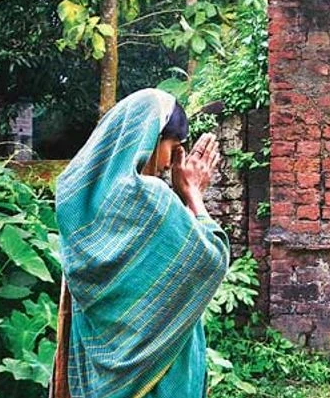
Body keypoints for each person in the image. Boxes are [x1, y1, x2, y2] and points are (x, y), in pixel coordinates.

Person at [52, 89, 229, 398]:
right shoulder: (152, 199)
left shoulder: (83, 202)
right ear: (150, 137)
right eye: (173, 145)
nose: (172, 159)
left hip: (98, 366)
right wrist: (193, 193)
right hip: (158, 373)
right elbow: (211, 258)